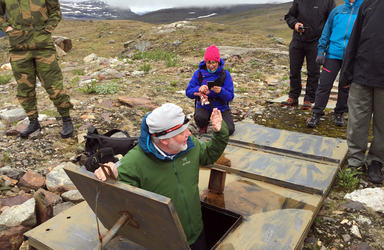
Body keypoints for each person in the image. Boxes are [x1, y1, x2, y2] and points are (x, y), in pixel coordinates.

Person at [94, 103, 229, 249]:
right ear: (164, 140)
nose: (188, 134)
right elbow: (118, 201)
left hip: (196, 232)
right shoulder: (134, 162)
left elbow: (208, 155)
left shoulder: (189, 145)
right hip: (166, 242)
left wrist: (220, 132)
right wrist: (110, 178)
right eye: (182, 132)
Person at [0, 0, 74, 139]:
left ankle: (66, 119)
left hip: (43, 47)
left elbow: (55, 11)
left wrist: (47, 29)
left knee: (54, 85)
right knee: (25, 88)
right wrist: (7, 28)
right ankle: (33, 121)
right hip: (18, 48)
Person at [339, 0, 384, 184]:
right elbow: (354, 40)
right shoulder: (368, 4)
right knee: (357, 120)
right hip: (361, 74)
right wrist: (346, 74)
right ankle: (355, 160)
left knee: (383, 125)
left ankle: (376, 161)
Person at [307, 0, 363, 128]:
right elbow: (326, 30)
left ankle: (339, 113)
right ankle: (316, 113)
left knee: (345, 87)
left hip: (351, 58)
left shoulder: (363, 11)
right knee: (324, 85)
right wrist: (321, 50)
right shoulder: (337, 10)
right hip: (332, 55)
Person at [282, 0, 335, 110]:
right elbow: (289, 16)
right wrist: (295, 24)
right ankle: (293, 97)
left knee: (314, 72)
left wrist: (326, 41)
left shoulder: (328, 1)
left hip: (317, 42)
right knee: (294, 70)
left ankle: (309, 99)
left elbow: (332, 21)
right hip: (298, 40)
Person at [186, 45, 235, 135]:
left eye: (214, 62)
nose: (211, 66)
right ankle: (203, 125)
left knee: (229, 130)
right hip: (204, 106)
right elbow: (188, 92)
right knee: (200, 118)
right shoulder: (198, 73)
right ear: (205, 62)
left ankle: (219, 124)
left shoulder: (225, 74)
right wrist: (198, 89)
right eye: (208, 62)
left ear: (218, 61)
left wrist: (221, 91)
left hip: (221, 107)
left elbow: (230, 96)